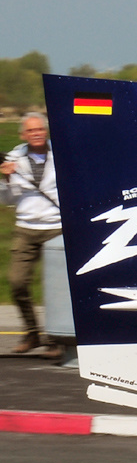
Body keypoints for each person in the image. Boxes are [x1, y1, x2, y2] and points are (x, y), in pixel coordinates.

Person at [4, 112, 61, 359]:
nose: (36, 133)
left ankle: (57, 338)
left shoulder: (61, 153)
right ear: (23, 135)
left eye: (40, 129)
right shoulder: (14, 159)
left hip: (57, 227)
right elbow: (6, 199)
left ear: (45, 131)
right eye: (31, 131)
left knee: (57, 287)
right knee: (16, 281)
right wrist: (6, 177)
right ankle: (32, 331)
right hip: (26, 228)